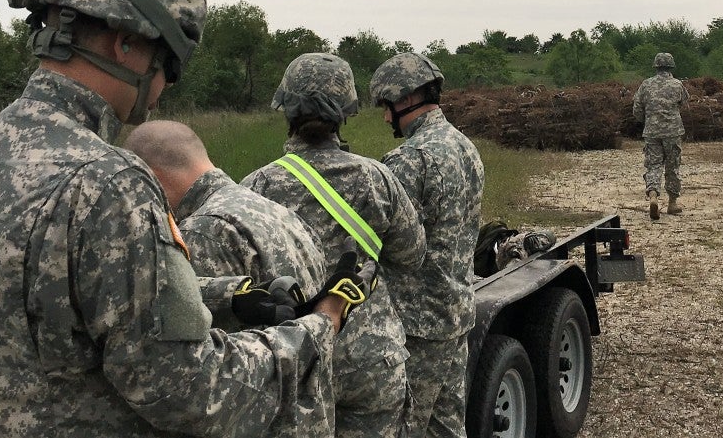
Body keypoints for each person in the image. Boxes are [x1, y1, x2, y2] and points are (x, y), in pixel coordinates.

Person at [0, 0, 359, 438]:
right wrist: (317, 326)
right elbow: (192, 393)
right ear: (125, 41)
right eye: (170, 62)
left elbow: (70, 305)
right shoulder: (108, 180)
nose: (167, 85)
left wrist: (232, 296)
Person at [242, 52, 427, 438]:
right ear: (346, 112)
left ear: (286, 109)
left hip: (297, 361)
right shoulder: (378, 179)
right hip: (369, 358)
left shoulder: (255, 188)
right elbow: (412, 254)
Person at [123, 119, 335, 438]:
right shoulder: (274, 209)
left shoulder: (200, 234)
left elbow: (196, 377)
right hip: (310, 415)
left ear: (152, 180)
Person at [369, 53, 485, 438]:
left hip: (416, 327)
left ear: (404, 100)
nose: (386, 119)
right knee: (448, 426)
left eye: (387, 107)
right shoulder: (466, 146)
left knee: (405, 428)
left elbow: (384, 241)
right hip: (456, 312)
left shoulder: (408, 159)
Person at [632, 51, 690, 220]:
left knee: (653, 165)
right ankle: (672, 203)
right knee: (673, 166)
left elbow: (636, 108)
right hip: (673, 132)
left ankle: (653, 196)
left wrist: (647, 120)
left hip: (652, 132)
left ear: (656, 66)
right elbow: (684, 104)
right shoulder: (677, 85)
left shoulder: (646, 85)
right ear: (671, 66)